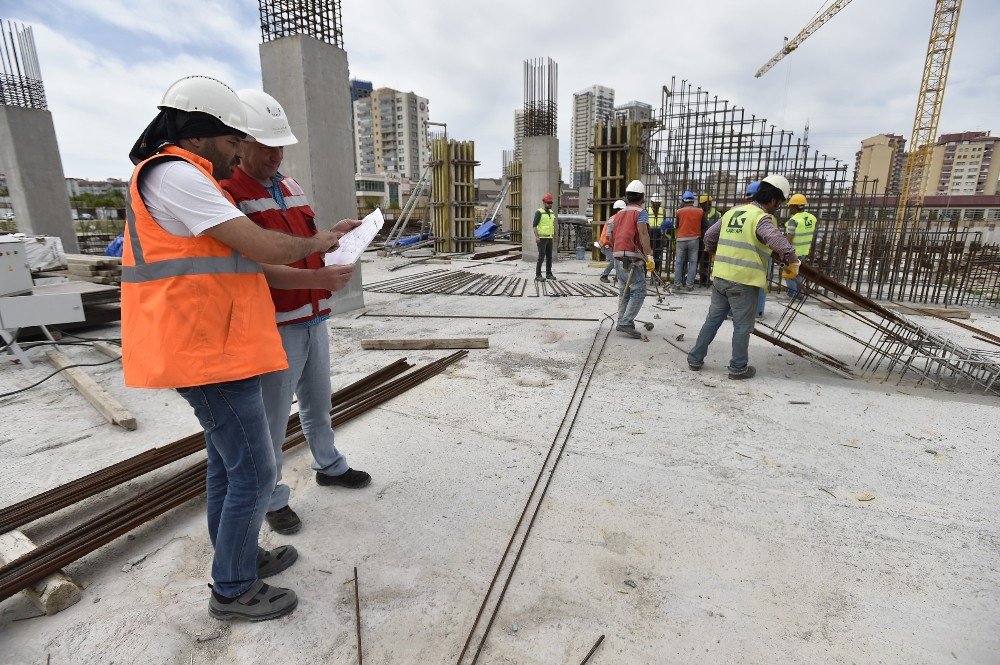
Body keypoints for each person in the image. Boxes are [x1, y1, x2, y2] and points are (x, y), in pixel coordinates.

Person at [123, 75, 354, 621]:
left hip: (217, 345)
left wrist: (317, 278)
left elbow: (241, 268)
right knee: (253, 468)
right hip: (201, 350)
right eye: (232, 142)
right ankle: (232, 588)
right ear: (201, 133)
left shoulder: (188, 175)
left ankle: (240, 556)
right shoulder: (175, 175)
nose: (237, 155)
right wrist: (320, 245)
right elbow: (258, 244)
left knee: (230, 468)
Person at [221, 89, 371, 538]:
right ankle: (272, 498)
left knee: (317, 403)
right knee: (270, 420)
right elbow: (251, 270)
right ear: (239, 143)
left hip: (313, 315)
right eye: (266, 145)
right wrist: (315, 282)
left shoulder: (289, 185)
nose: (275, 155)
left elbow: (305, 242)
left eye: (280, 145)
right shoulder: (228, 195)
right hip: (274, 324)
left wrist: (335, 236)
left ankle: (329, 465)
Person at [687, 175, 800, 380]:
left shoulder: (733, 212)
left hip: (721, 277)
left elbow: (709, 236)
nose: (778, 207)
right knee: (742, 327)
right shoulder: (760, 217)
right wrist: (793, 260)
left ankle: (694, 359)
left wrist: (713, 251)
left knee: (712, 320)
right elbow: (776, 239)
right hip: (744, 282)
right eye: (780, 203)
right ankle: (738, 368)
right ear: (774, 199)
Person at [609, 180, 653, 339]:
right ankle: (626, 322)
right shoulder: (641, 212)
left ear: (627, 197)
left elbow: (612, 235)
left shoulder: (619, 214)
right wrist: (649, 256)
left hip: (618, 257)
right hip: (632, 258)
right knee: (639, 291)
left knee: (624, 292)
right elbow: (643, 233)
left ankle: (622, 320)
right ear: (642, 197)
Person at [783, 193, 816, 299]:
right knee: (799, 273)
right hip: (804, 251)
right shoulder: (811, 218)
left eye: (790, 206)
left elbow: (790, 236)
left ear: (794, 206)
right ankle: (800, 294)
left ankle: (792, 294)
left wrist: (782, 248)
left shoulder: (794, 220)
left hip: (793, 252)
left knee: (789, 274)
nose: (789, 208)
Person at [673, 191, 703, 290]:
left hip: (681, 239)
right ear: (693, 201)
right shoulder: (700, 211)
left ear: (683, 200)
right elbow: (703, 225)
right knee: (693, 263)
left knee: (679, 262)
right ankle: (689, 285)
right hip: (694, 240)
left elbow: (676, 225)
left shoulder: (679, 211)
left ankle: (677, 284)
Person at [598, 199, 625, 283]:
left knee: (619, 259)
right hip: (606, 245)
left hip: (611, 244)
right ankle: (604, 275)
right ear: (620, 210)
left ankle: (618, 276)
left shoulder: (619, 219)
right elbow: (608, 236)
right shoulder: (613, 220)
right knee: (614, 260)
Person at [697, 194, 721, 287]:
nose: (702, 206)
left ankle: (705, 281)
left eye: (704, 204)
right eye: (701, 204)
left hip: (710, 242)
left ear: (709, 203)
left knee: (706, 262)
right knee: (697, 260)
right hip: (699, 241)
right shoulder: (699, 212)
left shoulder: (717, 215)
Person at [533, 193, 556, 280]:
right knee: (541, 257)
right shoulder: (539, 212)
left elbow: (552, 224)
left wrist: (554, 234)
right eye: (548, 202)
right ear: (544, 202)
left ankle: (548, 274)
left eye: (551, 203)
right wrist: (537, 237)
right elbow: (534, 226)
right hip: (542, 238)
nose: (550, 204)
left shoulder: (551, 212)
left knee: (549, 257)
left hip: (549, 238)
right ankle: (538, 275)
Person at [647, 199, 666, 275]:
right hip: (649, 234)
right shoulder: (647, 210)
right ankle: (645, 273)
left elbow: (664, 223)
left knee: (657, 255)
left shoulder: (662, 210)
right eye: (655, 203)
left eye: (658, 203)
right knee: (647, 255)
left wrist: (664, 236)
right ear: (651, 202)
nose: (657, 205)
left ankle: (655, 273)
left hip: (659, 234)